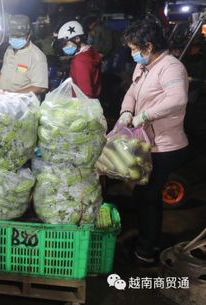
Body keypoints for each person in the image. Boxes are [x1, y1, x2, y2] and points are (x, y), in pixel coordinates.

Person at [118, 18, 189, 265]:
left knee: (147, 195)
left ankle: (145, 253)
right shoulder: (144, 67)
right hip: (147, 142)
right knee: (146, 195)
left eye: (135, 50)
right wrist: (127, 111)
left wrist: (145, 115)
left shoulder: (171, 67)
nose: (133, 54)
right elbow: (132, 92)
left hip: (165, 146)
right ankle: (149, 241)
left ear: (148, 46)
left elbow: (177, 99)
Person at [0, 15, 48, 95]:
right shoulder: (9, 50)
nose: (15, 38)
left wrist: (13, 94)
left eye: (19, 36)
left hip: (22, 105)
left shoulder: (37, 57)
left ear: (29, 35)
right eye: (12, 35)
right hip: (5, 102)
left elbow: (40, 87)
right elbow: (3, 76)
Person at [57, 20, 101, 98]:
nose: (64, 47)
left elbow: (85, 93)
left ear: (77, 39)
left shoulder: (79, 61)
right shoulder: (90, 51)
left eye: (65, 43)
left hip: (82, 105)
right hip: (95, 98)